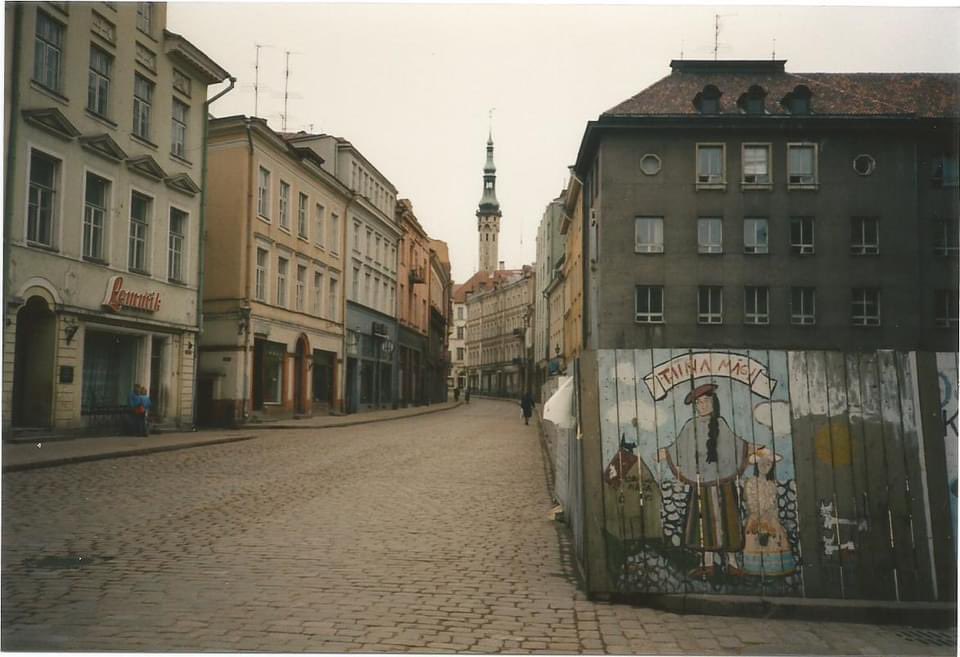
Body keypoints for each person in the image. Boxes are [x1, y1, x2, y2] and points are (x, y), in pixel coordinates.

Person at [657, 383, 749, 578]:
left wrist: (754, 449)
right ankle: (708, 563)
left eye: (706, 401)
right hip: (702, 487)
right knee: (703, 522)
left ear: (713, 403)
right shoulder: (691, 426)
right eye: (698, 403)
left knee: (728, 522)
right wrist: (666, 453)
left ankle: (731, 563)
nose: (702, 406)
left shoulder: (721, 424)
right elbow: (679, 448)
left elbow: (736, 446)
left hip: (723, 484)